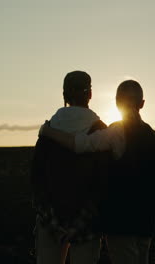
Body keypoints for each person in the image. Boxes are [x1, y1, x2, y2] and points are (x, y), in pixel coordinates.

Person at [40, 80, 155, 264]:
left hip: (120, 225)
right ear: (142, 104)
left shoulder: (116, 132)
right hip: (146, 223)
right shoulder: (151, 134)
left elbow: (79, 144)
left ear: (117, 102)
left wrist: (47, 131)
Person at [31, 71, 109, 264]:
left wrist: (53, 222)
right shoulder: (100, 130)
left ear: (64, 95)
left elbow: (36, 180)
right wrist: (81, 223)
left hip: (50, 225)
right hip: (87, 227)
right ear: (90, 94)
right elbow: (103, 183)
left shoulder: (48, 131)